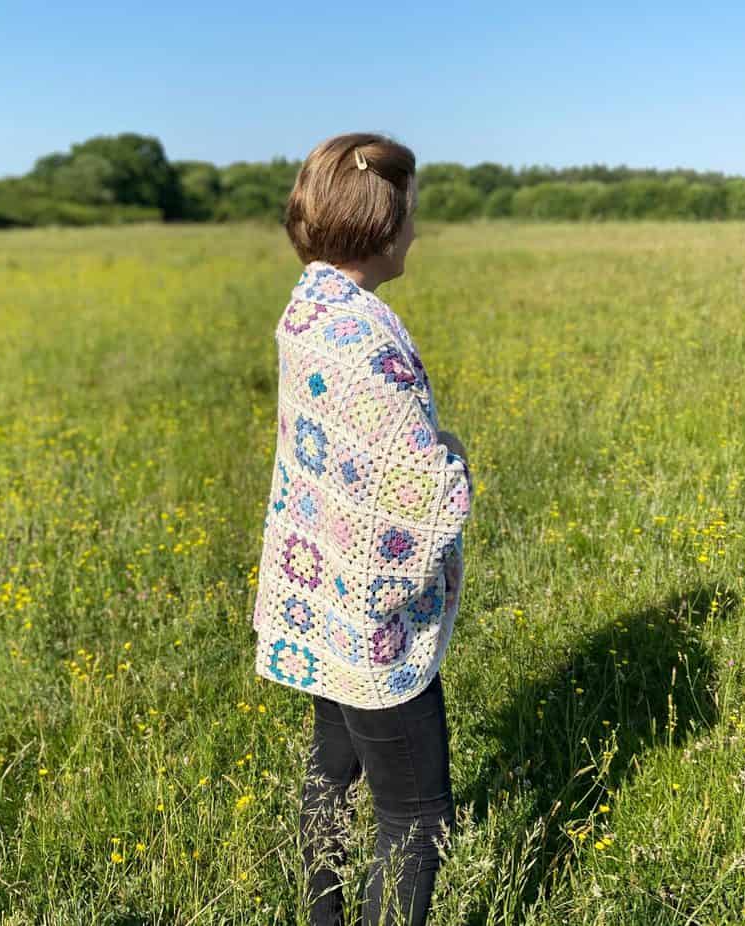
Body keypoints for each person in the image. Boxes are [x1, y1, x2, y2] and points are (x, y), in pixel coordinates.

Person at [251, 132, 474, 925]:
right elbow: (414, 494)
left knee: (330, 777)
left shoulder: (309, 305)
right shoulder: (364, 334)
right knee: (416, 816)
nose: (418, 227)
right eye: (412, 210)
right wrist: (454, 461)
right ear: (382, 224)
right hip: (372, 620)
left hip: (323, 600)